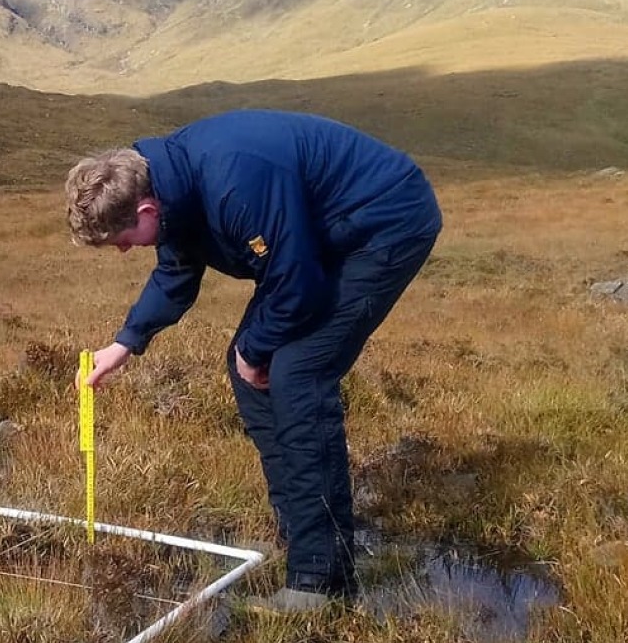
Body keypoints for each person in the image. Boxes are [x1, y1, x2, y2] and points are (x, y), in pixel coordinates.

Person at [67, 110, 440, 613]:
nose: (124, 253)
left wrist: (255, 349)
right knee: (254, 373)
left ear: (147, 210)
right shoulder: (169, 181)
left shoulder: (232, 183)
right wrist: (125, 343)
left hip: (384, 224)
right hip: (317, 240)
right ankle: (302, 532)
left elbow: (296, 282)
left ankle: (319, 582)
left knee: (297, 373)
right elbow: (178, 271)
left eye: (123, 241)